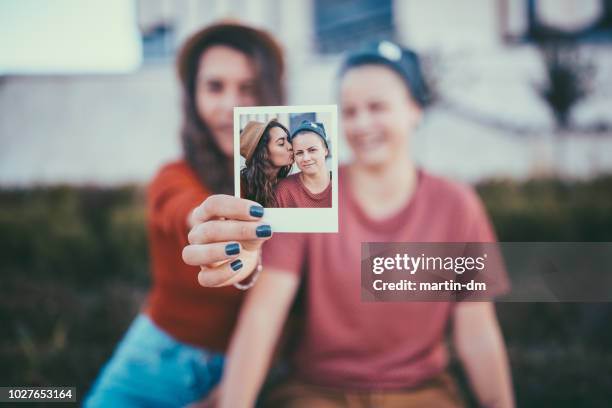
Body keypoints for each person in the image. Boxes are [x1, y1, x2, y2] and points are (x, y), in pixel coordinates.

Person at [196, 41, 515, 407]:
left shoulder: (457, 206)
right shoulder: (300, 197)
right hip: (316, 393)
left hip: (420, 393)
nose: (362, 124)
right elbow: (263, 315)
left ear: (415, 110)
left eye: (377, 107)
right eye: (349, 111)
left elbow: (476, 330)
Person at [84, 22, 284, 407]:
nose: (229, 104)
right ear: (191, 96)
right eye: (214, 86)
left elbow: (295, 307)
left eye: (247, 87)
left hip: (251, 370)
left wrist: (232, 388)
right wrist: (205, 221)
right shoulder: (172, 176)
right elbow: (180, 209)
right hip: (156, 358)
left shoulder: (298, 189)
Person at [274, 120, 332, 208]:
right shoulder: (283, 190)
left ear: (325, 151)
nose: (306, 158)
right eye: (299, 153)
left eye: (312, 150)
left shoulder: (342, 185)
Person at [240, 119, 294, 207]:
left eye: (288, 140)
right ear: (263, 153)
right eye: (281, 143)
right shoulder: (241, 185)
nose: (290, 147)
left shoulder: (286, 184)